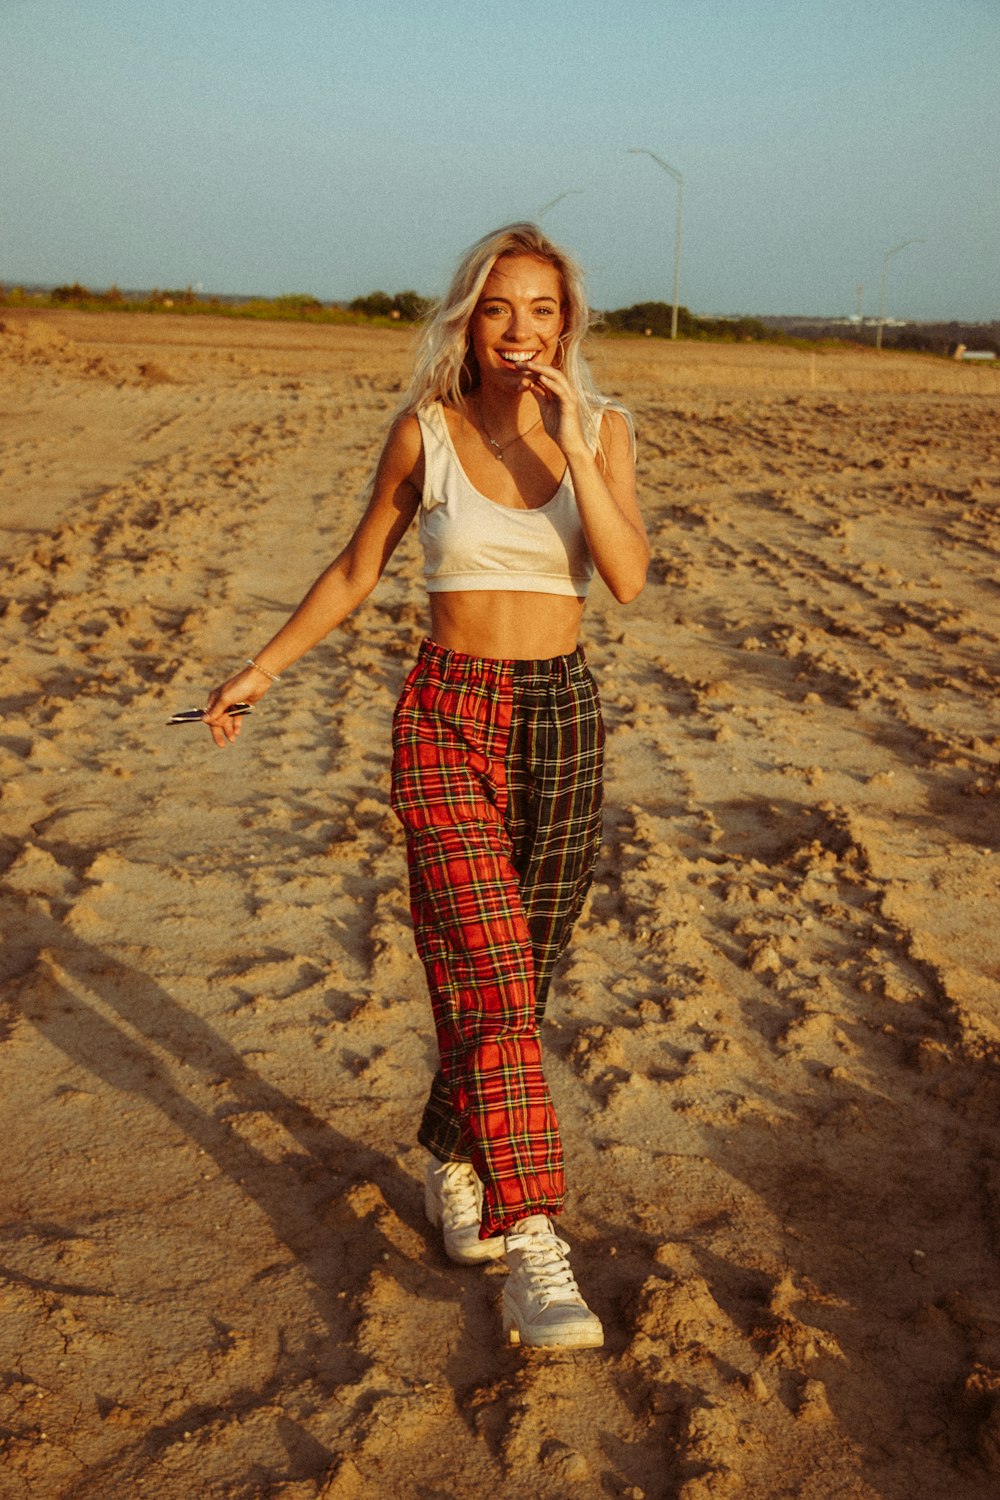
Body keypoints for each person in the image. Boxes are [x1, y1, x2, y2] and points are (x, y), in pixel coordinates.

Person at [203, 223, 648, 1350]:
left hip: (562, 717)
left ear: (568, 324)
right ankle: (532, 1233)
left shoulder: (604, 431)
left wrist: (573, 445)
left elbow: (630, 578)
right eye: (498, 308)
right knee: (492, 976)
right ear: (467, 315)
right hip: (449, 712)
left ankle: (455, 1151)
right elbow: (358, 568)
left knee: (520, 975)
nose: (519, 331)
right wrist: (257, 671)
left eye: (541, 311)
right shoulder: (425, 434)